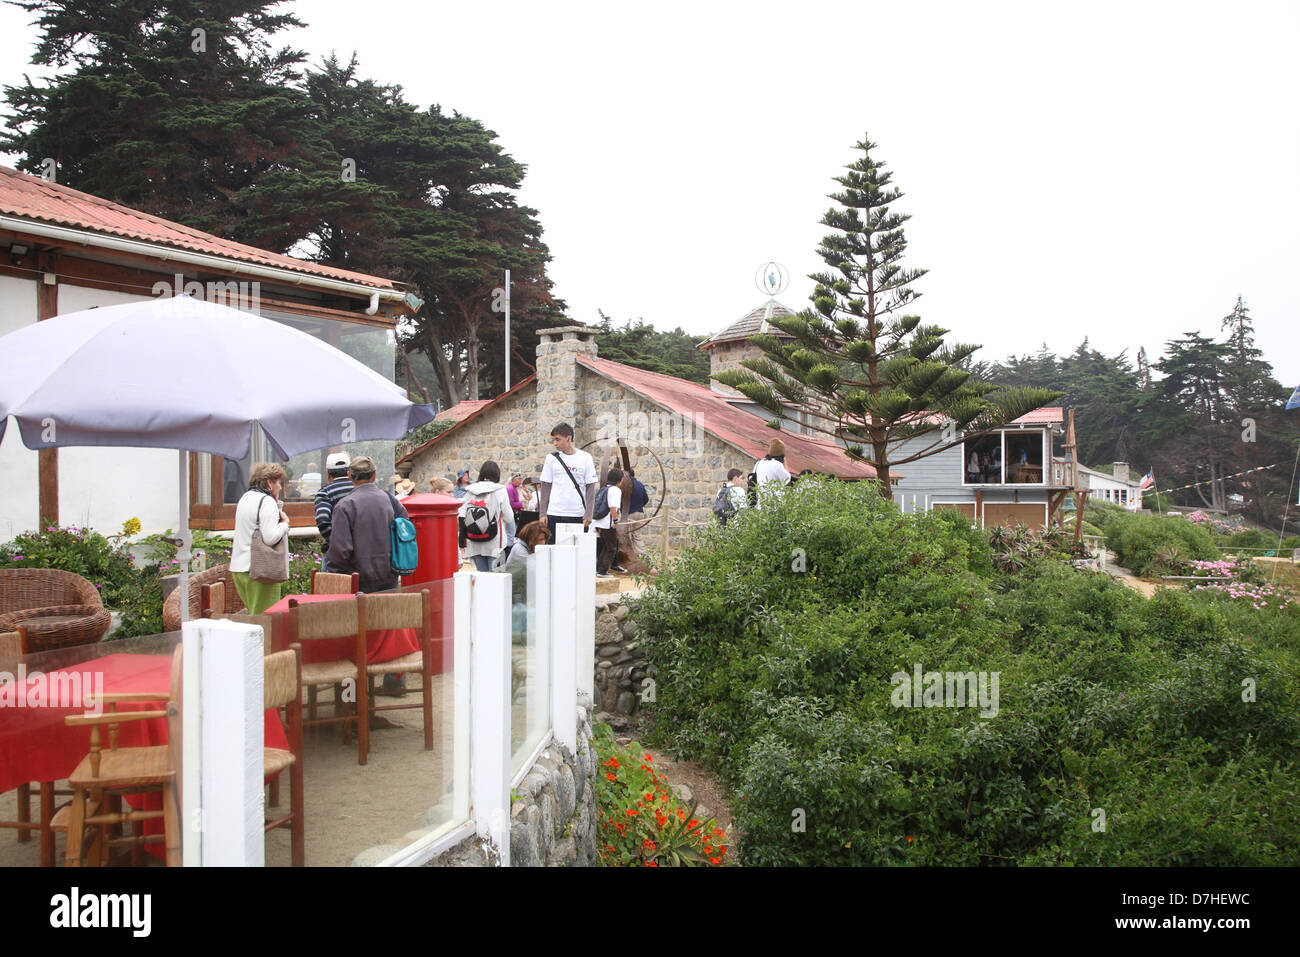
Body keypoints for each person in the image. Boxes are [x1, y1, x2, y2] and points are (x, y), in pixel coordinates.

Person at [324, 455, 409, 594]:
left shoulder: (345, 506)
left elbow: (340, 550)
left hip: (358, 582)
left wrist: (333, 573)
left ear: (349, 476)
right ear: (374, 475)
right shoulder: (391, 501)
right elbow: (405, 533)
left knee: (360, 616)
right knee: (386, 615)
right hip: (390, 577)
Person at [231, 462, 291, 614]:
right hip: (262, 570)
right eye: (278, 482)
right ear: (269, 483)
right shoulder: (267, 501)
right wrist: (285, 524)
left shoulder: (245, 498)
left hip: (239, 568)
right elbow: (270, 538)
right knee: (267, 623)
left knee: (254, 616)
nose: (280, 487)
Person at [538, 422, 598, 542]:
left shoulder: (585, 458)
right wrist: (543, 513)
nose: (555, 443)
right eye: (553, 440)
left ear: (569, 438)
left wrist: (588, 514)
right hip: (554, 512)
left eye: (558, 439)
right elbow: (545, 487)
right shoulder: (551, 458)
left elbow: (590, 487)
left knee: (576, 551)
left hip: (577, 514)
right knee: (553, 550)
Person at [458, 460, 515, 572]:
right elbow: (509, 517)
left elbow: (462, 513)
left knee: (482, 577)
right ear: (497, 474)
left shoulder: (470, 490)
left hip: (474, 540)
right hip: (495, 542)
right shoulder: (500, 490)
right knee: (496, 578)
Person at [314, 451, 353, 559]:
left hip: (335, 553)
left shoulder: (324, 493)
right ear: (349, 472)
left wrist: (337, 543)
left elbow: (322, 520)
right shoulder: (358, 489)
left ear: (327, 473)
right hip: (360, 551)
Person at [593, 467, 623, 578]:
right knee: (611, 548)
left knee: (605, 547)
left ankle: (599, 569)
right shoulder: (615, 490)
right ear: (619, 480)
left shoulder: (603, 489)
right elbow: (612, 507)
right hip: (607, 523)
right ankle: (602, 571)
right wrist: (615, 521)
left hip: (598, 522)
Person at [753, 438, 792, 509]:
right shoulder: (777, 465)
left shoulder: (760, 463)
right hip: (775, 505)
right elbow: (787, 479)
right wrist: (785, 464)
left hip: (760, 503)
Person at [622, 466, 649, 563]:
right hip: (640, 513)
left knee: (628, 535)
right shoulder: (640, 484)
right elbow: (646, 499)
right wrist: (639, 506)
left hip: (629, 513)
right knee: (637, 535)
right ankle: (643, 556)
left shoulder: (626, 485)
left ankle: (631, 557)